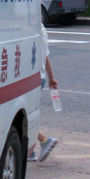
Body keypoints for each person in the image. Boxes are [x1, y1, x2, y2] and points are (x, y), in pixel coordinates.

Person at [31, 22, 59, 162]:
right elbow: (45, 55)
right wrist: (51, 78)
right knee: (27, 114)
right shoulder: (41, 27)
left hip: (31, 78)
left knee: (25, 117)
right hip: (40, 77)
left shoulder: (30, 26)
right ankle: (29, 152)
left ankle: (44, 140)